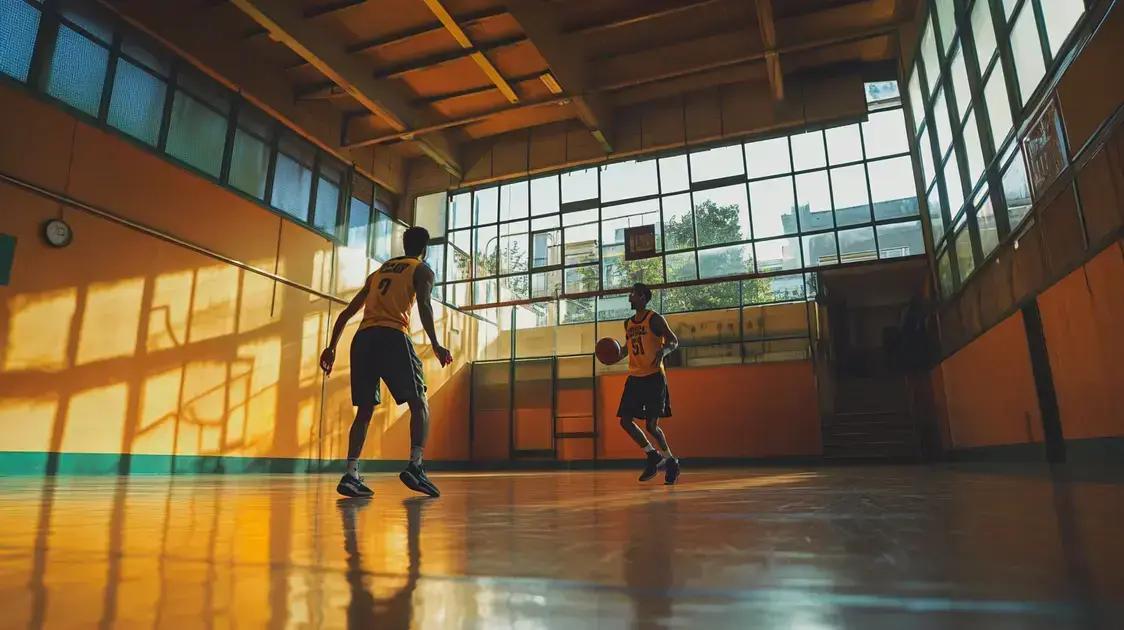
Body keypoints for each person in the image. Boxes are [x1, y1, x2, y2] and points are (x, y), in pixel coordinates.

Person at [320, 226, 453, 498]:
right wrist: (436, 344)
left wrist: (331, 347)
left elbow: (347, 312)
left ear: (404, 245)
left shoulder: (378, 272)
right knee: (419, 401)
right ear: (425, 248)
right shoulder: (421, 269)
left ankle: (351, 474)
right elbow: (425, 305)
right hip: (392, 335)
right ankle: (416, 465)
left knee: (365, 410)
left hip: (363, 339)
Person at [616, 282, 681, 484]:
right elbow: (627, 349)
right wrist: (611, 355)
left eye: (633, 293)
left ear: (643, 297)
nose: (629, 297)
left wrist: (665, 351)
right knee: (625, 421)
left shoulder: (654, 319)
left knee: (652, 426)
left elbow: (674, 341)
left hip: (654, 377)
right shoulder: (628, 323)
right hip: (635, 378)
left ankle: (671, 462)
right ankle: (652, 455)